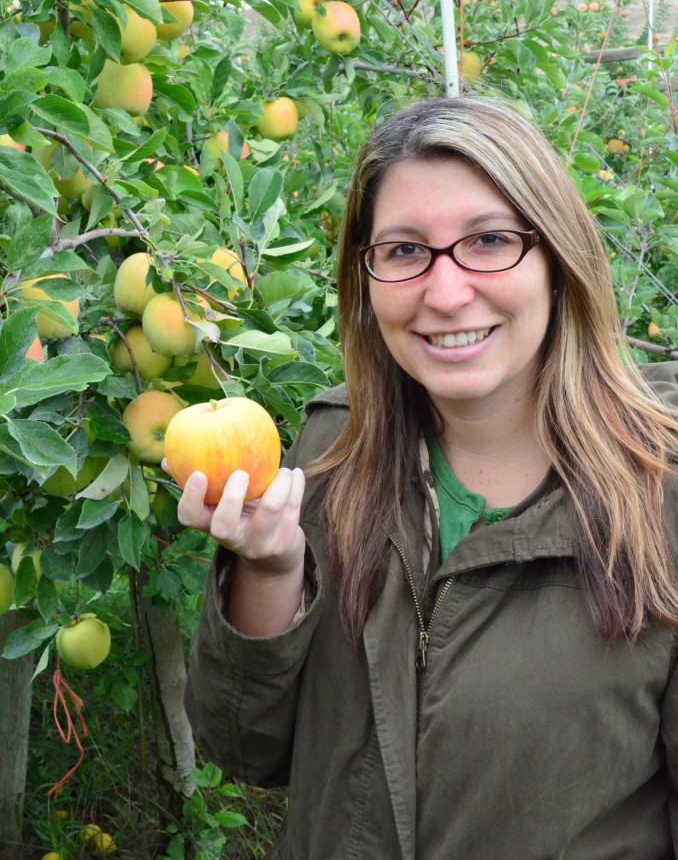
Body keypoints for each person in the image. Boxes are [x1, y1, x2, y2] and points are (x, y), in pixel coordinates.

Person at [170, 95, 678, 859]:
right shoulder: (336, 446)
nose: (445, 294)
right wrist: (270, 569)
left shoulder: (659, 488)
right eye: (405, 251)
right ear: (366, 278)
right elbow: (245, 750)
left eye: (490, 240)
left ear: (558, 257)